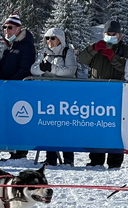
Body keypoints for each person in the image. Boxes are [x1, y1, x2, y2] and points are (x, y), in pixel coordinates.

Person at [79, 20, 128, 168]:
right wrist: (93, 49)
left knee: (115, 128)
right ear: (103, 34)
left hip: (117, 95)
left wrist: (113, 57)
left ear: (120, 35)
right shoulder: (97, 48)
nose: (110, 36)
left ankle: (115, 161)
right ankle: (96, 159)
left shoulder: (126, 50)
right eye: (108, 34)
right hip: (96, 94)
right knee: (96, 127)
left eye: (113, 34)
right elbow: (82, 59)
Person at [31, 27, 78, 166]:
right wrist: (41, 68)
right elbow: (33, 69)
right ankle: (50, 157)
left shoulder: (67, 52)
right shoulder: (43, 52)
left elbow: (70, 71)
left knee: (65, 126)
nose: (49, 41)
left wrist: (52, 69)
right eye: (47, 38)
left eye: (52, 38)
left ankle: (68, 158)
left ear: (60, 39)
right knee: (47, 125)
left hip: (63, 95)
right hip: (46, 94)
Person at [0, 13, 36, 159]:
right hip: (7, 88)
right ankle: (12, 149)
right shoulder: (10, 45)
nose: (6, 30)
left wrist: (9, 81)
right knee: (8, 120)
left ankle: (20, 151)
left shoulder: (26, 45)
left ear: (18, 29)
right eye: (4, 27)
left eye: (10, 27)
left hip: (18, 89)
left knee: (19, 120)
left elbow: (25, 69)